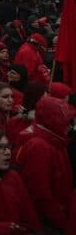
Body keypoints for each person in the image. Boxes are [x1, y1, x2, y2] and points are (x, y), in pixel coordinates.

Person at [13, 95, 74, 231]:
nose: (69, 126)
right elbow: (40, 194)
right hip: (47, 221)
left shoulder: (54, 139)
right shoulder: (39, 147)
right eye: (65, 120)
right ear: (52, 120)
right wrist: (63, 222)